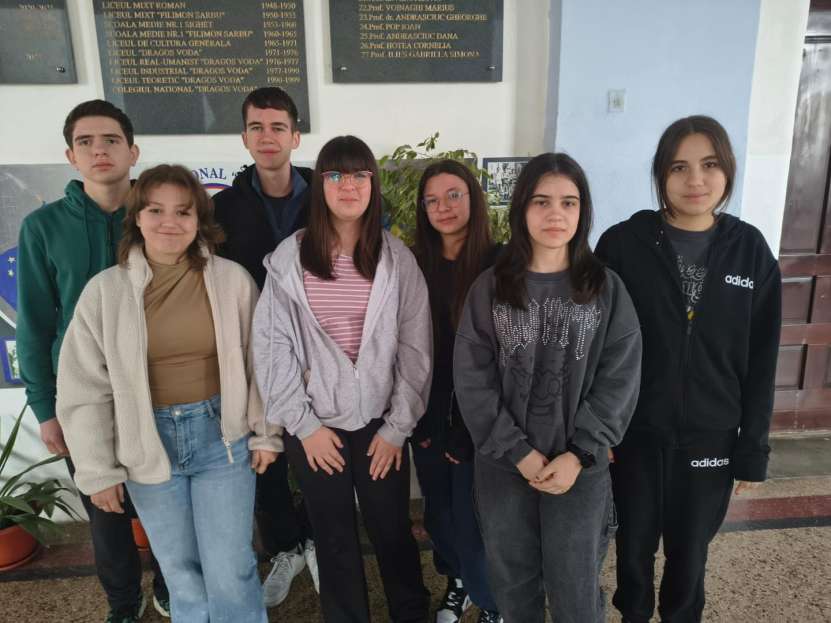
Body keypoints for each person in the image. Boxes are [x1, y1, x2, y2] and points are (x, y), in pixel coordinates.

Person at [56, 164, 280, 623]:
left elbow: (261, 361)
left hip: (222, 439)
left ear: (199, 220)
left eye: (183, 211)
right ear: (137, 217)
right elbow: (84, 388)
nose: (169, 222)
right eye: (156, 210)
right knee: (179, 570)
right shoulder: (105, 292)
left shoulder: (232, 280)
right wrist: (98, 471)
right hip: (147, 443)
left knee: (231, 567)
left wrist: (266, 432)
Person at [595, 115, 782, 623]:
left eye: (709, 165)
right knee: (632, 550)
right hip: (633, 434)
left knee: (690, 555)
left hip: (711, 436)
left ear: (728, 171)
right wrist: (597, 430)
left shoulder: (750, 250)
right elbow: (595, 347)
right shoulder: (622, 244)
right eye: (679, 167)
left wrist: (752, 450)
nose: (695, 180)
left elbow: (762, 360)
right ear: (661, 174)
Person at [454, 152, 642, 623]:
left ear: (583, 211)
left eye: (568, 202)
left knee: (575, 587)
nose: (555, 213)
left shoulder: (605, 289)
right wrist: (517, 451)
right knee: (514, 584)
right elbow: (473, 379)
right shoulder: (489, 289)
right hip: (504, 467)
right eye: (541, 201)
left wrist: (579, 453)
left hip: (578, 468)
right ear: (521, 209)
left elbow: (619, 377)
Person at [252, 135, 432, 623]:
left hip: (380, 425)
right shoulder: (291, 259)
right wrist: (304, 426)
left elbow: (416, 348)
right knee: (332, 535)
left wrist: (397, 428)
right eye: (334, 175)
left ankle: (410, 613)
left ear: (373, 184)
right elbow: (272, 348)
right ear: (320, 186)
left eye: (358, 175)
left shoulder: (396, 259)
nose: (347, 185)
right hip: (316, 426)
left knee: (391, 529)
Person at [16, 100, 169, 622]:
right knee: (105, 510)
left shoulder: (160, 217)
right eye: (85, 142)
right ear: (71, 155)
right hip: (82, 395)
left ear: (133, 151)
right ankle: (123, 603)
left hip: (157, 388)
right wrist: (45, 408)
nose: (99, 150)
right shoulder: (43, 227)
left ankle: (170, 585)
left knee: (166, 501)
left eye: (110, 140)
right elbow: (35, 323)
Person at [212, 85, 317, 607]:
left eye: (278, 127)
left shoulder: (326, 196)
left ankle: (319, 541)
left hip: (320, 352)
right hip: (253, 353)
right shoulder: (222, 207)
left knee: (319, 452)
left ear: (295, 136)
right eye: (257, 127)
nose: (267, 136)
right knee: (265, 456)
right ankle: (286, 547)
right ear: (245, 137)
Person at [410, 160, 502, 623]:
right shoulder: (413, 264)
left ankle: (493, 603)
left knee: (474, 521)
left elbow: (508, 355)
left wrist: (471, 427)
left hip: (481, 421)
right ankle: (458, 582)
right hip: (428, 415)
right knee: (439, 516)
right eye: (432, 200)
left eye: (453, 195)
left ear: (473, 199)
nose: (442, 207)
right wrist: (419, 419)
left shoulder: (501, 263)